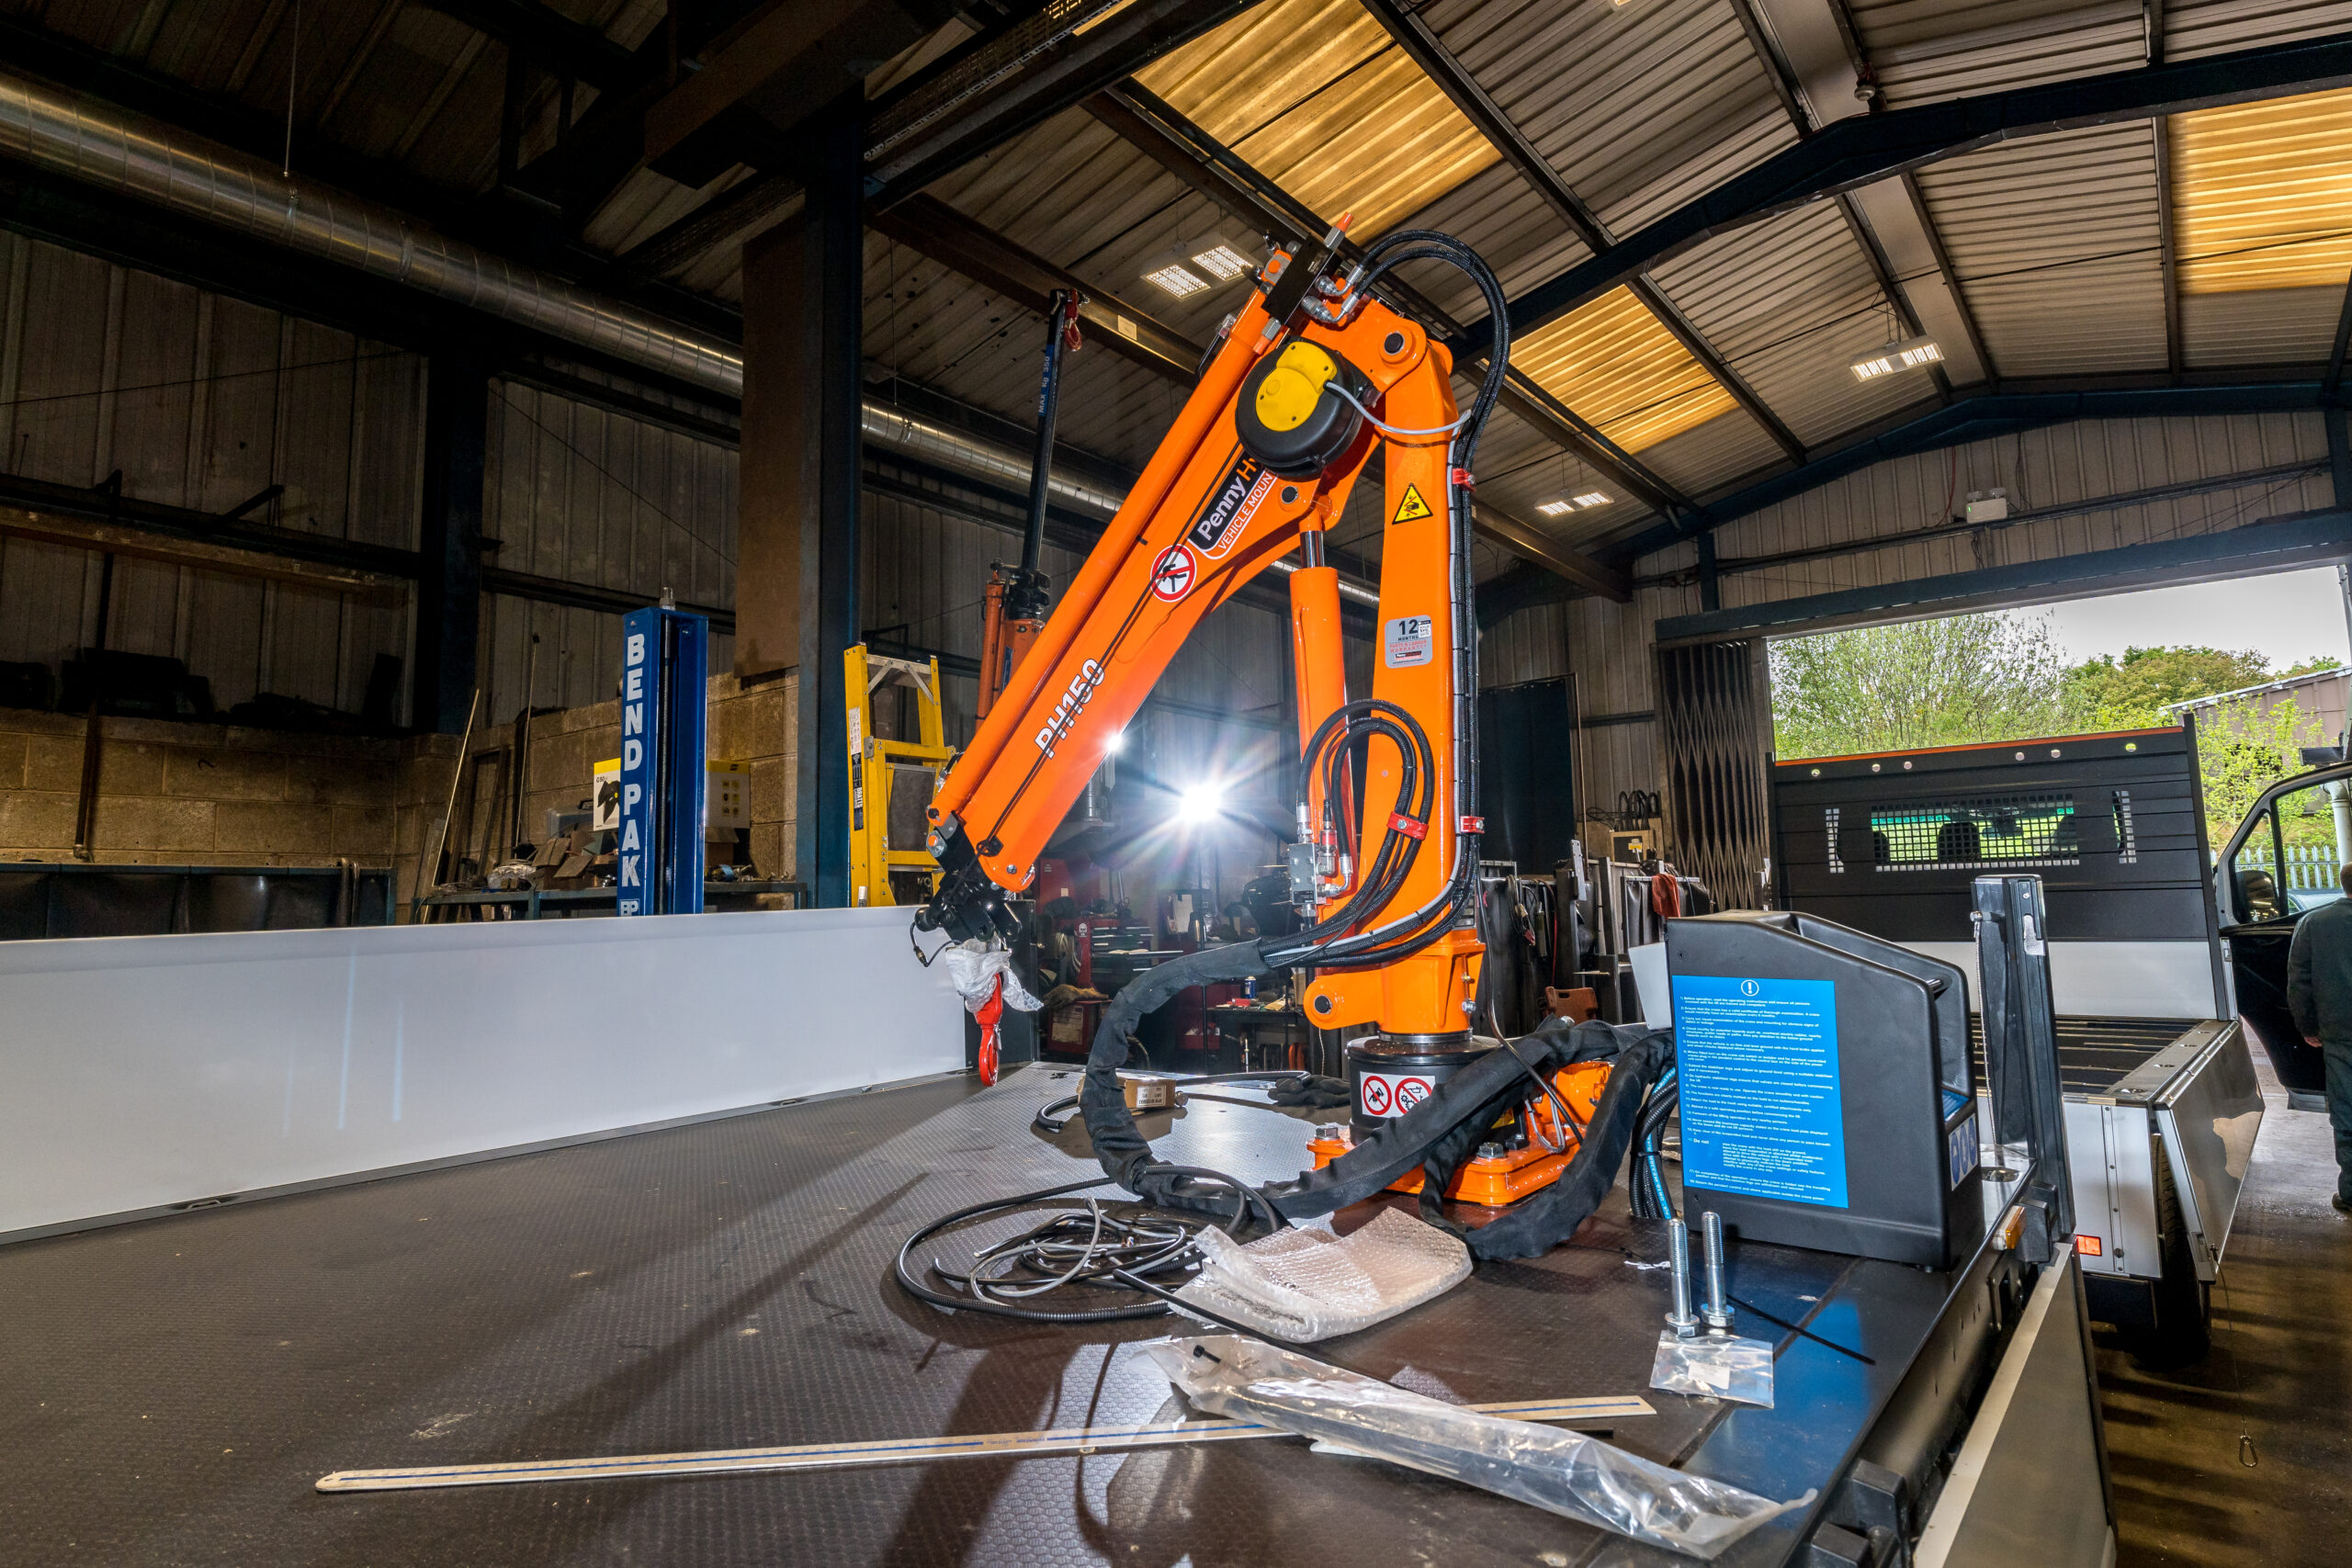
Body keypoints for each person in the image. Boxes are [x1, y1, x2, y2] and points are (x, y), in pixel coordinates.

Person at [2284, 863, 2352, 1215]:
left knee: (2348, 1113)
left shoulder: (2313, 923)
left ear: (2343, 886)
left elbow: (2300, 982)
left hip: (2341, 1033)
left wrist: (2308, 1027)